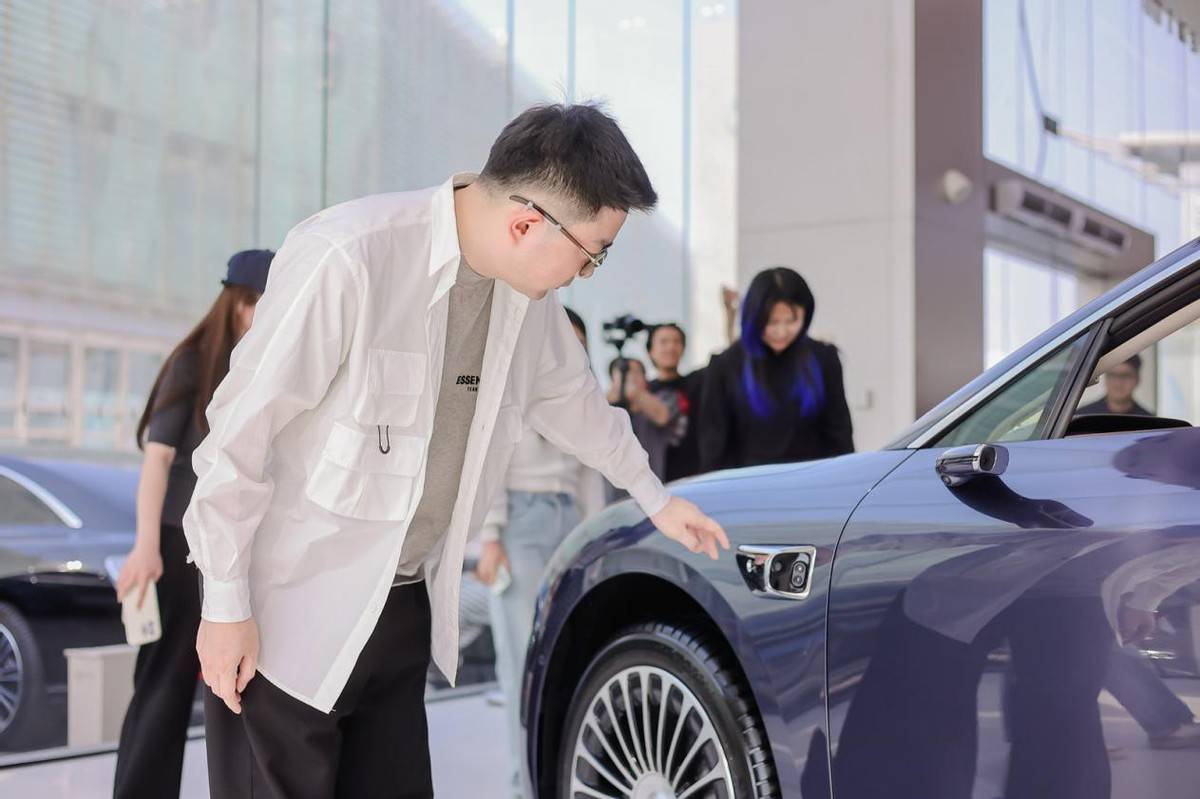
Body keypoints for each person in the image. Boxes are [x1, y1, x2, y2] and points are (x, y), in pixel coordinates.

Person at [183, 103, 728, 799]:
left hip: (401, 608)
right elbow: (238, 435)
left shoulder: (527, 304)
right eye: (592, 254)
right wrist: (224, 603)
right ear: (527, 223)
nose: (587, 271)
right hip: (285, 616)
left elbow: (578, 404)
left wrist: (657, 499)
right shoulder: (352, 255)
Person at [111, 250, 273, 799]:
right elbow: (157, 460)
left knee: (228, 687)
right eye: (258, 302)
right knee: (164, 686)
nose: (265, 315)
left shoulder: (257, 369)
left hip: (226, 547)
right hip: (178, 545)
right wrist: (145, 547)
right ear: (236, 302)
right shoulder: (193, 362)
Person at [475, 307, 606, 797]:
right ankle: (524, 785)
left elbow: (591, 475)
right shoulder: (509, 388)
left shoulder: (584, 396)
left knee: (572, 655)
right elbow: (488, 465)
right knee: (522, 665)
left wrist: (595, 536)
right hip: (520, 524)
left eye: (577, 341)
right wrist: (490, 538)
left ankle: (563, 778)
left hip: (570, 519)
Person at [700, 266, 853, 472]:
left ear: (806, 314)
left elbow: (840, 436)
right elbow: (714, 449)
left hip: (813, 480)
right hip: (748, 484)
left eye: (791, 321)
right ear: (753, 318)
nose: (781, 332)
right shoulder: (725, 365)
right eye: (771, 322)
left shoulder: (824, 358)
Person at [607, 356, 686, 495]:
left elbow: (662, 415)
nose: (630, 377)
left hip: (653, 493)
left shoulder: (664, 397)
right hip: (613, 497)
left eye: (635, 372)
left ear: (645, 378)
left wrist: (633, 391)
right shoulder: (606, 407)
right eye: (624, 372)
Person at [646, 323, 704, 481]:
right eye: (664, 342)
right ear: (651, 351)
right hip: (654, 478)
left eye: (676, 342)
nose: (671, 347)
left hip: (693, 474)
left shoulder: (698, 382)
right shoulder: (643, 392)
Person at [1077, 354, 1151, 416]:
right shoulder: (1083, 416)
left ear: (1137, 380)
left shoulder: (1148, 420)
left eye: (1126, 375)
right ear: (1105, 379)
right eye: (1113, 375)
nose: (1118, 382)